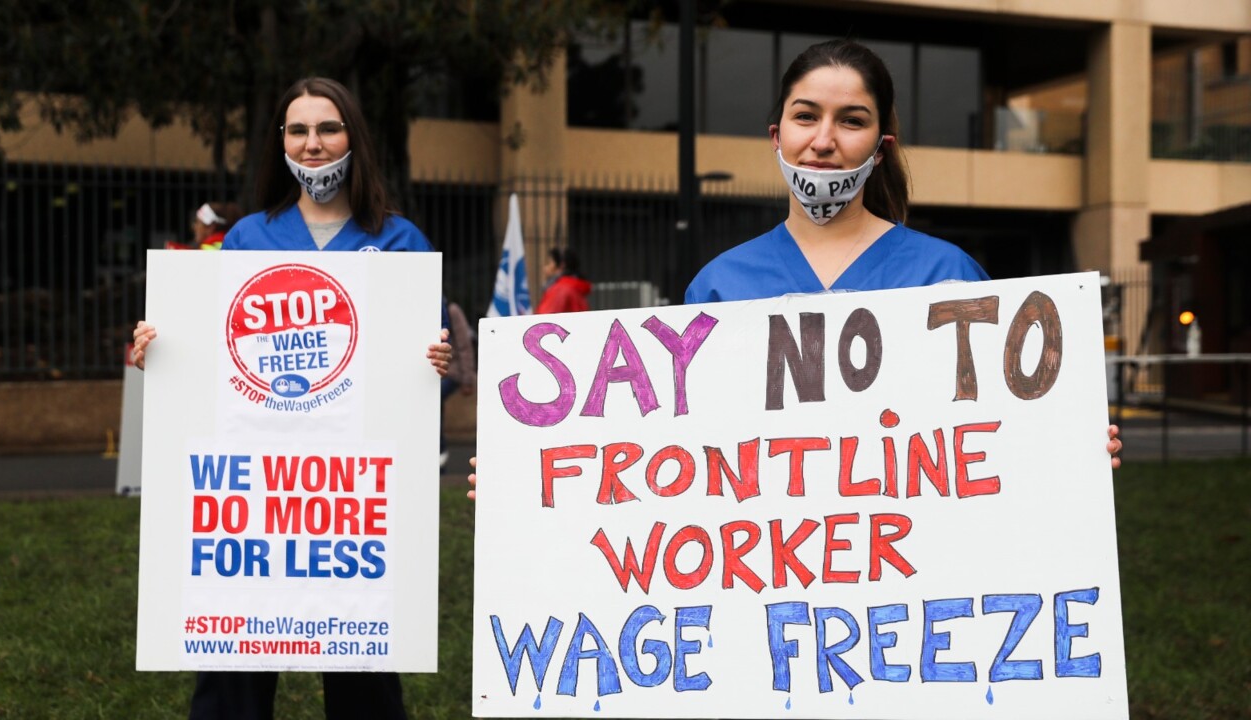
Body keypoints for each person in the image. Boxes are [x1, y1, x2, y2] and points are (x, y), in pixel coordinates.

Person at [467, 39, 1120, 500]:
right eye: (806, 116)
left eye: (852, 121)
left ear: (880, 146)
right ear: (776, 134)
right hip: (768, 589)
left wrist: (1070, 453)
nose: (825, 139)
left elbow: (998, 447)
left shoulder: (947, 278)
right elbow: (664, 458)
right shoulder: (718, 286)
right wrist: (527, 482)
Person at [131, 76, 452, 720]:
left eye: (328, 128)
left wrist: (439, 362)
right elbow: (217, 354)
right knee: (233, 672)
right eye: (298, 130)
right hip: (256, 491)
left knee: (363, 669)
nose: (313, 144)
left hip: (355, 494)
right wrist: (158, 351)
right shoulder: (248, 238)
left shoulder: (402, 241)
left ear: (352, 138)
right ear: (281, 141)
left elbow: (419, 369)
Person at [441, 299, 477, 467]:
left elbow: (464, 345)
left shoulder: (451, 310)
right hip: (436, 371)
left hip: (453, 371)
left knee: (434, 400)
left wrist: (467, 378)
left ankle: (440, 451)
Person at [535, 248, 591, 314]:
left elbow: (545, 320)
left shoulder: (559, 290)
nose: (545, 268)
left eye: (549, 262)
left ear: (561, 265)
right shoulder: (573, 286)